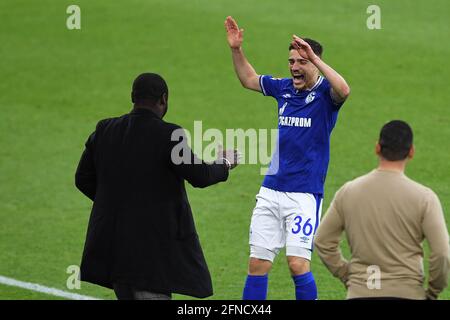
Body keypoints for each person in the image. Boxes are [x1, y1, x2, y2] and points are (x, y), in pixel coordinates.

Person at [75, 73, 239, 300]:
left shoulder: (105, 129)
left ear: (133, 97)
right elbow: (200, 176)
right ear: (163, 99)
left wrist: (121, 206)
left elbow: (82, 178)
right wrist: (225, 162)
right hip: (150, 257)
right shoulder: (169, 135)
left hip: (115, 254)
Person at [224, 16, 350, 300]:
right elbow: (248, 79)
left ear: (314, 63)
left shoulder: (325, 96)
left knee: (297, 264)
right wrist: (236, 49)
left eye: (301, 62)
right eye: (291, 61)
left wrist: (314, 59)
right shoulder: (283, 89)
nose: (294, 67)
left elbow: (344, 89)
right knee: (257, 264)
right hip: (271, 190)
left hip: (304, 195)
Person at [314, 120, 450, 300]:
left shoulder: (348, 192)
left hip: (360, 292)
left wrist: (349, 276)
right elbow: (442, 254)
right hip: (408, 293)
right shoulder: (425, 198)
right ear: (411, 152)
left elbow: (322, 241)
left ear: (377, 148)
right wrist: (432, 292)